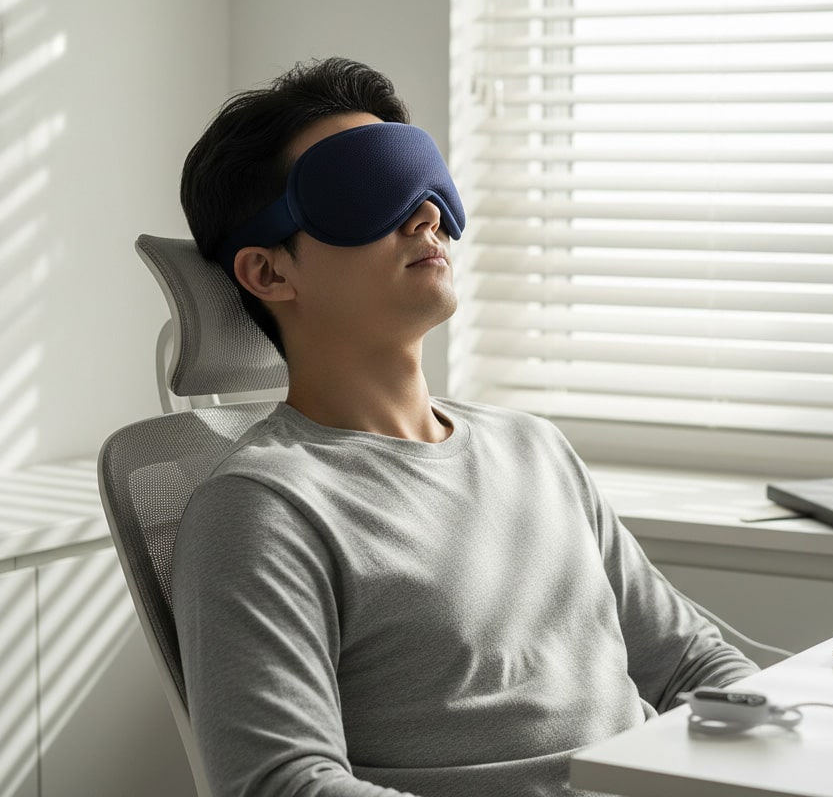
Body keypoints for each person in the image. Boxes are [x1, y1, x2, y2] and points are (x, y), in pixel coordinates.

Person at [173, 57, 758, 797]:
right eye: (370, 190)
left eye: (426, 184)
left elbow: (689, 664)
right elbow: (282, 785)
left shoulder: (534, 447)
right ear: (268, 273)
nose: (428, 216)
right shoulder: (264, 508)